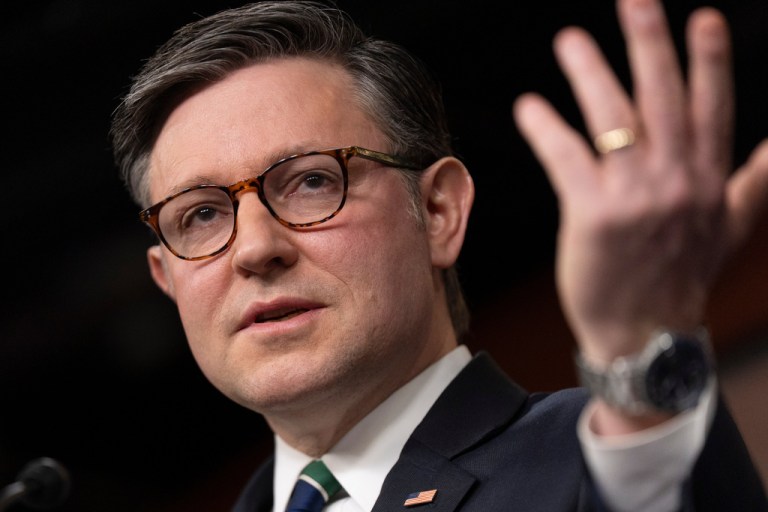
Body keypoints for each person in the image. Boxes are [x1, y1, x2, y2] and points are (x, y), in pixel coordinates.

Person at [109, 0, 768, 510]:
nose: (255, 248)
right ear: (167, 280)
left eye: (311, 181)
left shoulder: (598, 456)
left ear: (440, 211)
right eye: (200, 215)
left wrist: (639, 348)